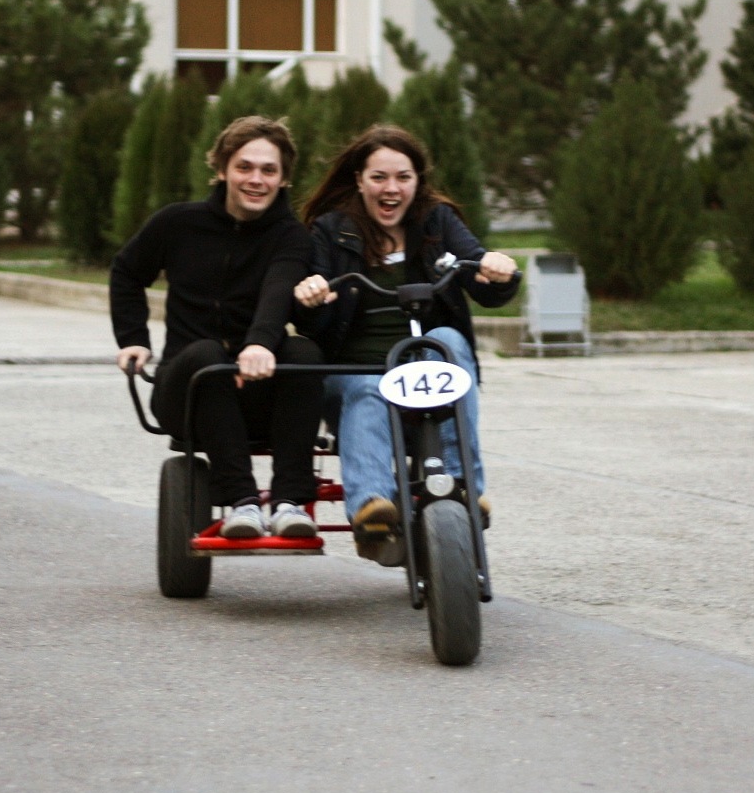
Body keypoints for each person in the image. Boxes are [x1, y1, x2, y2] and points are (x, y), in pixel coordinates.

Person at [295, 124, 519, 566]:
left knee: (449, 340)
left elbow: (480, 276)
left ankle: (460, 486)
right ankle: (373, 509)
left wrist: (497, 271)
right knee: (368, 386)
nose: (391, 188)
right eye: (379, 177)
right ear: (360, 180)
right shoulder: (331, 230)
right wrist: (311, 297)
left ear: (418, 181)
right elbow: (311, 322)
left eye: (403, 177)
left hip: (424, 371)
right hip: (354, 374)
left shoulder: (437, 221)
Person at [110, 115, 323, 539]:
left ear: (283, 179)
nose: (256, 179)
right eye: (244, 167)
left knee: (304, 353)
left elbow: (279, 289)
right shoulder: (177, 223)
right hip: (187, 392)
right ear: (222, 169)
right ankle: (242, 502)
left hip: (258, 393)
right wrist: (134, 339)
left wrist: (259, 344)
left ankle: (289, 502)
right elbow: (127, 272)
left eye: (269, 170)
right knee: (207, 355)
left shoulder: (292, 237)